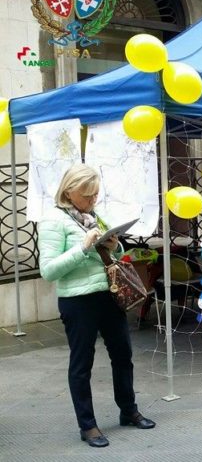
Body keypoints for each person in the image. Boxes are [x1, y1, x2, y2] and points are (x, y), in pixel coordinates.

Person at [37, 164, 155, 448]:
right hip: (78, 301)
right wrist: (82, 249)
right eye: (87, 195)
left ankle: (129, 410)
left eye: (95, 195)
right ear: (69, 192)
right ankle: (87, 425)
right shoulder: (52, 220)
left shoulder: (93, 216)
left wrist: (115, 246)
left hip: (108, 294)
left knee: (123, 355)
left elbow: (115, 254)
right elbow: (49, 271)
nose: (93, 201)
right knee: (82, 364)